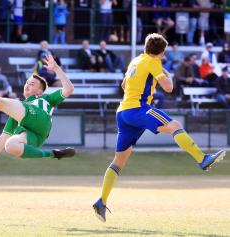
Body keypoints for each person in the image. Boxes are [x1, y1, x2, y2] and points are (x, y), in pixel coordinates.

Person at [93, 33, 226, 222]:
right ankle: (202, 159)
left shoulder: (136, 60)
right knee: (175, 125)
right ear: (162, 53)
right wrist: (166, 74)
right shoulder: (154, 62)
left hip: (123, 113)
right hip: (139, 109)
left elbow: (124, 85)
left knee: (118, 161)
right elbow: (169, 87)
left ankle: (101, 201)